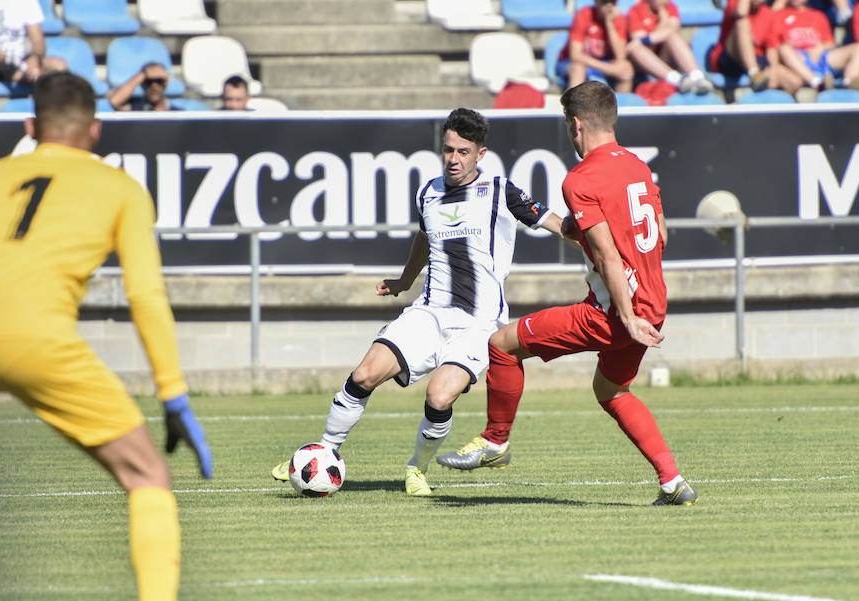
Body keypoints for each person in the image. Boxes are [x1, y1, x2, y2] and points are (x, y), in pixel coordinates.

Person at [0, 72, 213, 600]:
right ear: (96, 131)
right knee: (148, 476)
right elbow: (145, 295)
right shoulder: (120, 187)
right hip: (38, 342)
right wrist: (172, 394)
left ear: (30, 126)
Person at [271, 108, 567, 496]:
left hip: (479, 324)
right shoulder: (428, 192)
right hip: (429, 312)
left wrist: (604, 249)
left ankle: (417, 468)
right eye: (448, 150)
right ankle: (322, 452)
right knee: (364, 375)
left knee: (439, 395)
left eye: (463, 151)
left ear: (480, 154)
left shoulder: (500, 190)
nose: (453, 159)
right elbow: (425, 240)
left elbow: (557, 224)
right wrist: (403, 281)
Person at [437, 81, 697, 507]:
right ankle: (673, 482)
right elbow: (660, 236)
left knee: (501, 345)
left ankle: (495, 441)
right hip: (653, 302)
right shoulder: (636, 166)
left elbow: (611, 257)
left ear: (576, 125)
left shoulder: (581, 178)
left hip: (616, 311)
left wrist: (626, 316)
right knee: (611, 392)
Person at [0, 0, 67, 112]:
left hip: (17, 62)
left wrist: (34, 59)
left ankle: (56, 119)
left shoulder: (27, 2)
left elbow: (39, 44)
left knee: (58, 66)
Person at [708, 0, 804, 95]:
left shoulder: (767, 13)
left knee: (795, 81)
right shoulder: (735, 3)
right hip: (730, 58)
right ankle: (753, 73)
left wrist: (773, 69)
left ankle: (750, 93)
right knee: (742, 22)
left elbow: (771, 46)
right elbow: (741, 13)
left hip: (757, 59)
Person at [771, 0, 859, 91]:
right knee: (785, 49)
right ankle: (816, 82)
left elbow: (830, 43)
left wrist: (820, 48)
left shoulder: (818, 15)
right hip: (799, 58)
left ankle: (849, 82)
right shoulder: (780, 15)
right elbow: (774, 42)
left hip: (822, 56)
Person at [626, 0, 715, 94]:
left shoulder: (670, 6)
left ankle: (697, 77)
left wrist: (649, 38)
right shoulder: (636, 11)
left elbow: (672, 28)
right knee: (634, 49)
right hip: (645, 61)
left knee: (673, 36)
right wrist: (663, 24)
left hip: (665, 57)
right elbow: (640, 42)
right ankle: (678, 81)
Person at [560, 0, 635, 93]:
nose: (609, 6)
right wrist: (608, 69)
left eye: (613, 2)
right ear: (596, 2)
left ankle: (620, 104)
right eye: (604, 2)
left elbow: (621, 56)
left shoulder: (619, 19)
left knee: (626, 69)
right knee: (578, 68)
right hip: (572, 63)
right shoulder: (584, 15)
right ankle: (573, 104)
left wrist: (609, 24)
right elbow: (575, 55)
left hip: (603, 62)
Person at [109, 62, 177, 111]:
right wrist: (144, 73)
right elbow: (115, 102)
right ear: (142, 84)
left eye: (159, 81)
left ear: (166, 83)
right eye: (149, 81)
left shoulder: (177, 113)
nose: (154, 86)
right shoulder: (137, 109)